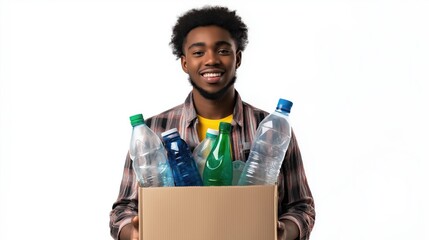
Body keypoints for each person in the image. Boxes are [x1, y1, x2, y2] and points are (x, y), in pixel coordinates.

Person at [109, 5, 315, 240]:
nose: (211, 60)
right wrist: (133, 232)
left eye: (223, 50)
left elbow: (301, 207)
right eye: (198, 53)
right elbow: (122, 210)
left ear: (237, 59)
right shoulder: (154, 129)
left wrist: (282, 231)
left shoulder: (268, 128)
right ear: (184, 63)